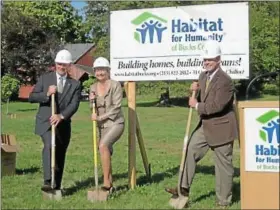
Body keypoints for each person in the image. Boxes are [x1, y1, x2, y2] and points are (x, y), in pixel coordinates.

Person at [165, 41, 238, 208]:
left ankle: (223, 201)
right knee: (190, 150)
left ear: (218, 59)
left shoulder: (225, 81)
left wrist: (196, 105)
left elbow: (216, 106)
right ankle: (182, 189)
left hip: (222, 127)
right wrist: (194, 91)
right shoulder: (203, 75)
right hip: (205, 125)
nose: (206, 62)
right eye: (205, 59)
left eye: (210, 60)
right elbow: (200, 98)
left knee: (223, 166)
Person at [29, 49, 81, 192]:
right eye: (59, 64)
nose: (61, 67)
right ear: (55, 64)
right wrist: (46, 94)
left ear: (69, 65)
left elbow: (74, 104)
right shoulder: (45, 79)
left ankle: (56, 185)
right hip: (45, 121)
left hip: (63, 124)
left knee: (59, 153)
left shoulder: (75, 84)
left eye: (64, 64)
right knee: (49, 145)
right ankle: (47, 181)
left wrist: (61, 116)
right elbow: (32, 97)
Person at [89, 57, 125, 193]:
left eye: (102, 70)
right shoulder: (92, 87)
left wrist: (99, 117)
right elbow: (92, 108)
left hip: (116, 123)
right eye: (97, 70)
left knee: (103, 145)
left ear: (108, 70)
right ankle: (110, 182)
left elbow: (116, 108)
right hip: (101, 126)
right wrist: (91, 101)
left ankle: (105, 183)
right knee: (105, 150)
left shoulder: (115, 85)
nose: (100, 73)